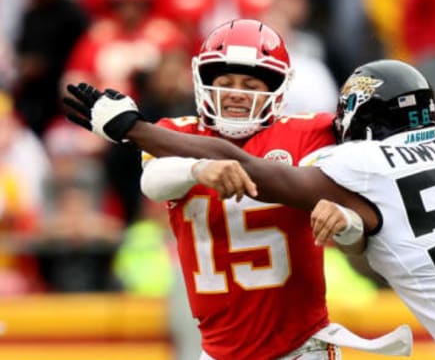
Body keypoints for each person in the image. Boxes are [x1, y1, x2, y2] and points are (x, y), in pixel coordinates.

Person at [65, 60, 435, 359]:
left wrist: (135, 128)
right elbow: (375, 222)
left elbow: (250, 165)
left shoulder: (360, 163)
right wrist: (350, 224)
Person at [65, 19, 411, 360]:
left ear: (276, 88)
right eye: (226, 81)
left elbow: (363, 210)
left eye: (250, 84)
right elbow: (153, 183)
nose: (235, 92)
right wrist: (200, 169)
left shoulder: (308, 133)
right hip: (217, 351)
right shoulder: (178, 132)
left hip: (299, 347)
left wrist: (346, 219)